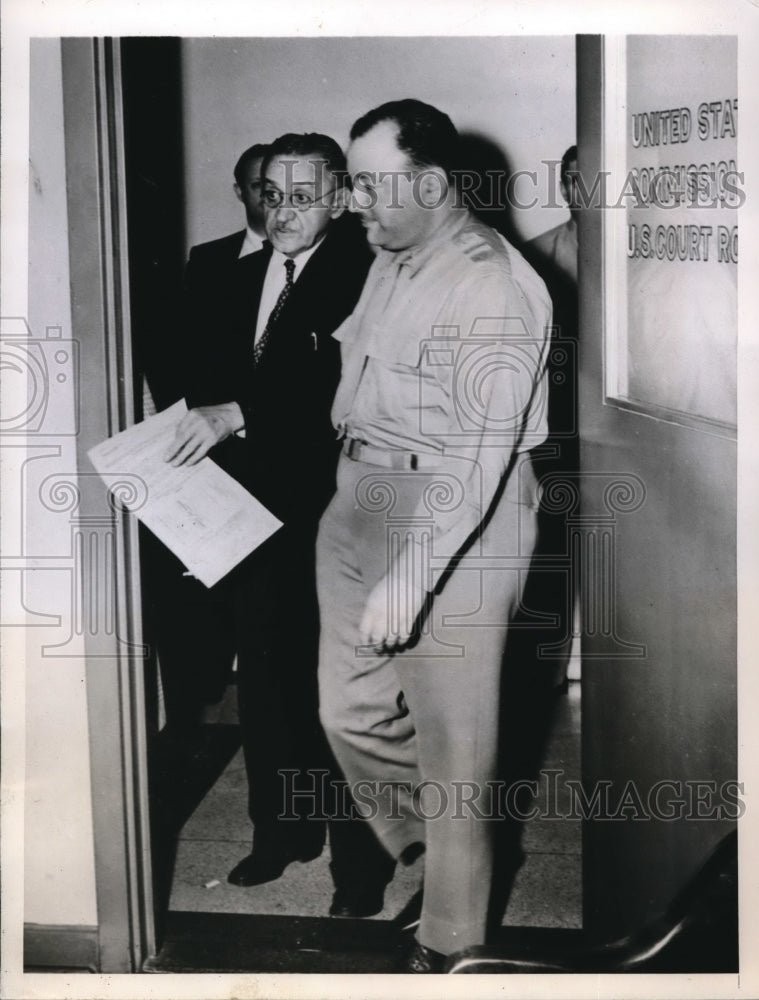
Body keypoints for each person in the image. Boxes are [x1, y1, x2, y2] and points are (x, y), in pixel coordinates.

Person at [315, 100, 552, 972]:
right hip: (361, 494)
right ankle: (445, 846)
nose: (352, 201)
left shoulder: (491, 283)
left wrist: (414, 572)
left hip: (455, 511)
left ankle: (453, 943)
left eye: (368, 184)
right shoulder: (391, 254)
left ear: (431, 184)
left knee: (456, 749)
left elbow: (480, 456)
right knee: (347, 709)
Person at [165, 132, 395, 915]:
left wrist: (242, 411)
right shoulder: (235, 276)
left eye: (301, 197)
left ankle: (360, 868)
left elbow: (343, 388)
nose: (281, 212)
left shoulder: (370, 272)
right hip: (247, 516)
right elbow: (199, 381)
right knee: (266, 683)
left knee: (344, 694)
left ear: (340, 199)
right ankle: (281, 832)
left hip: (337, 515)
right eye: (270, 195)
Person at [144, 143, 269, 749]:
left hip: (272, 441)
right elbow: (182, 351)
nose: (271, 200)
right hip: (213, 447)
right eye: (258, 186)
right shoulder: (209, 259)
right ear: (239, 191)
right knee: (205, 582)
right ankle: (205, 692)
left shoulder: (323, 263)